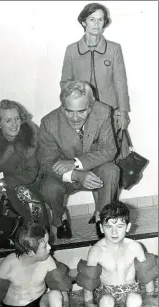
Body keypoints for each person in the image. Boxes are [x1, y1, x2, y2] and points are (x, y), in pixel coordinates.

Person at [60, 2, 131, 223]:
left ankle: (107, 211)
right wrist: (73, 113)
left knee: (114, 162)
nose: (96, 24)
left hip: (110, 115)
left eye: (100, 19)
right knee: (92, 160)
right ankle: (101, 209)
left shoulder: (114, 49)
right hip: (85, 116)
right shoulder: (72, 50)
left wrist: (123, 111)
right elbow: (65, 83)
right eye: (92, 19)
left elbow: (121, 83)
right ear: (83, 21)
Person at [38, 81, 120, 239]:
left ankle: (102, 217)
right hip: (63, 176)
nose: (75, 118)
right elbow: (46, 163)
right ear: (62, 107)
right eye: (69, 111)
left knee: (112, 170)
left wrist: (76, 162)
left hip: (95, 171)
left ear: (90, 106)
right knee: (49, 188)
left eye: (81, 111)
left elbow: (110, 150)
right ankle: (60, 219)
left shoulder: (102, 111)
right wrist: (76, 174)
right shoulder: (49, 123)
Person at [0, 222, 72, 307]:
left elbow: (59, 284)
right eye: (45, 246)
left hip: (38, 304)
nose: (50, 247)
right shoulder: (10, 263)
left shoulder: (48, 261)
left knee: (56, 294)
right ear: (30, 252)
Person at [0, 99, 49, 230]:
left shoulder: (31, 135)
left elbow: (31, 174)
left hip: (30, 183)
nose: (14, 124)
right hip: (1, 188)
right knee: (5, 208)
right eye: (8, 121)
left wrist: (3, 183)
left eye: (17, 119)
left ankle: (37, 233)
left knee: (20, 192)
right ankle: (12, 232)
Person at [76, 201, 157, 307]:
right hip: (106, 291)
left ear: (128, 227)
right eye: (108, 227)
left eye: (120, 226)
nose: (114, 232)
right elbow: (89, 279)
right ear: (101, 228)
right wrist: (89, 304)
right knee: (106, 302)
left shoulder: (134, 247)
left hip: (130, 289)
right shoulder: (96, 250)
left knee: (135, 300)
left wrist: (150, 297)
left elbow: (147, 275)